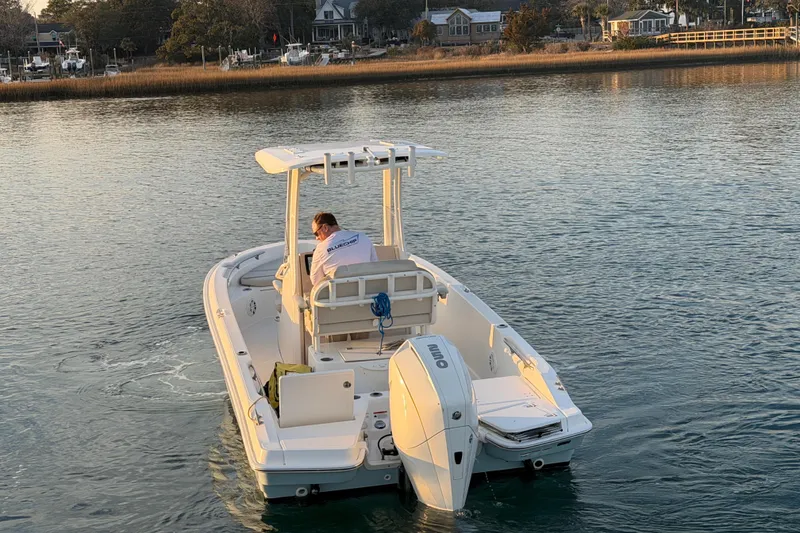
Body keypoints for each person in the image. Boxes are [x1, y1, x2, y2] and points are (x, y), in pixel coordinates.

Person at [310, 212, 378, 286]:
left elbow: (316, 281)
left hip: (337, 295)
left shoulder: (320, 249)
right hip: (366, 292)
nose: (317, 238)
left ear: (325, 228)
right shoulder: (363, 237)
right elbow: (375, 266)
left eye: (316, 234)